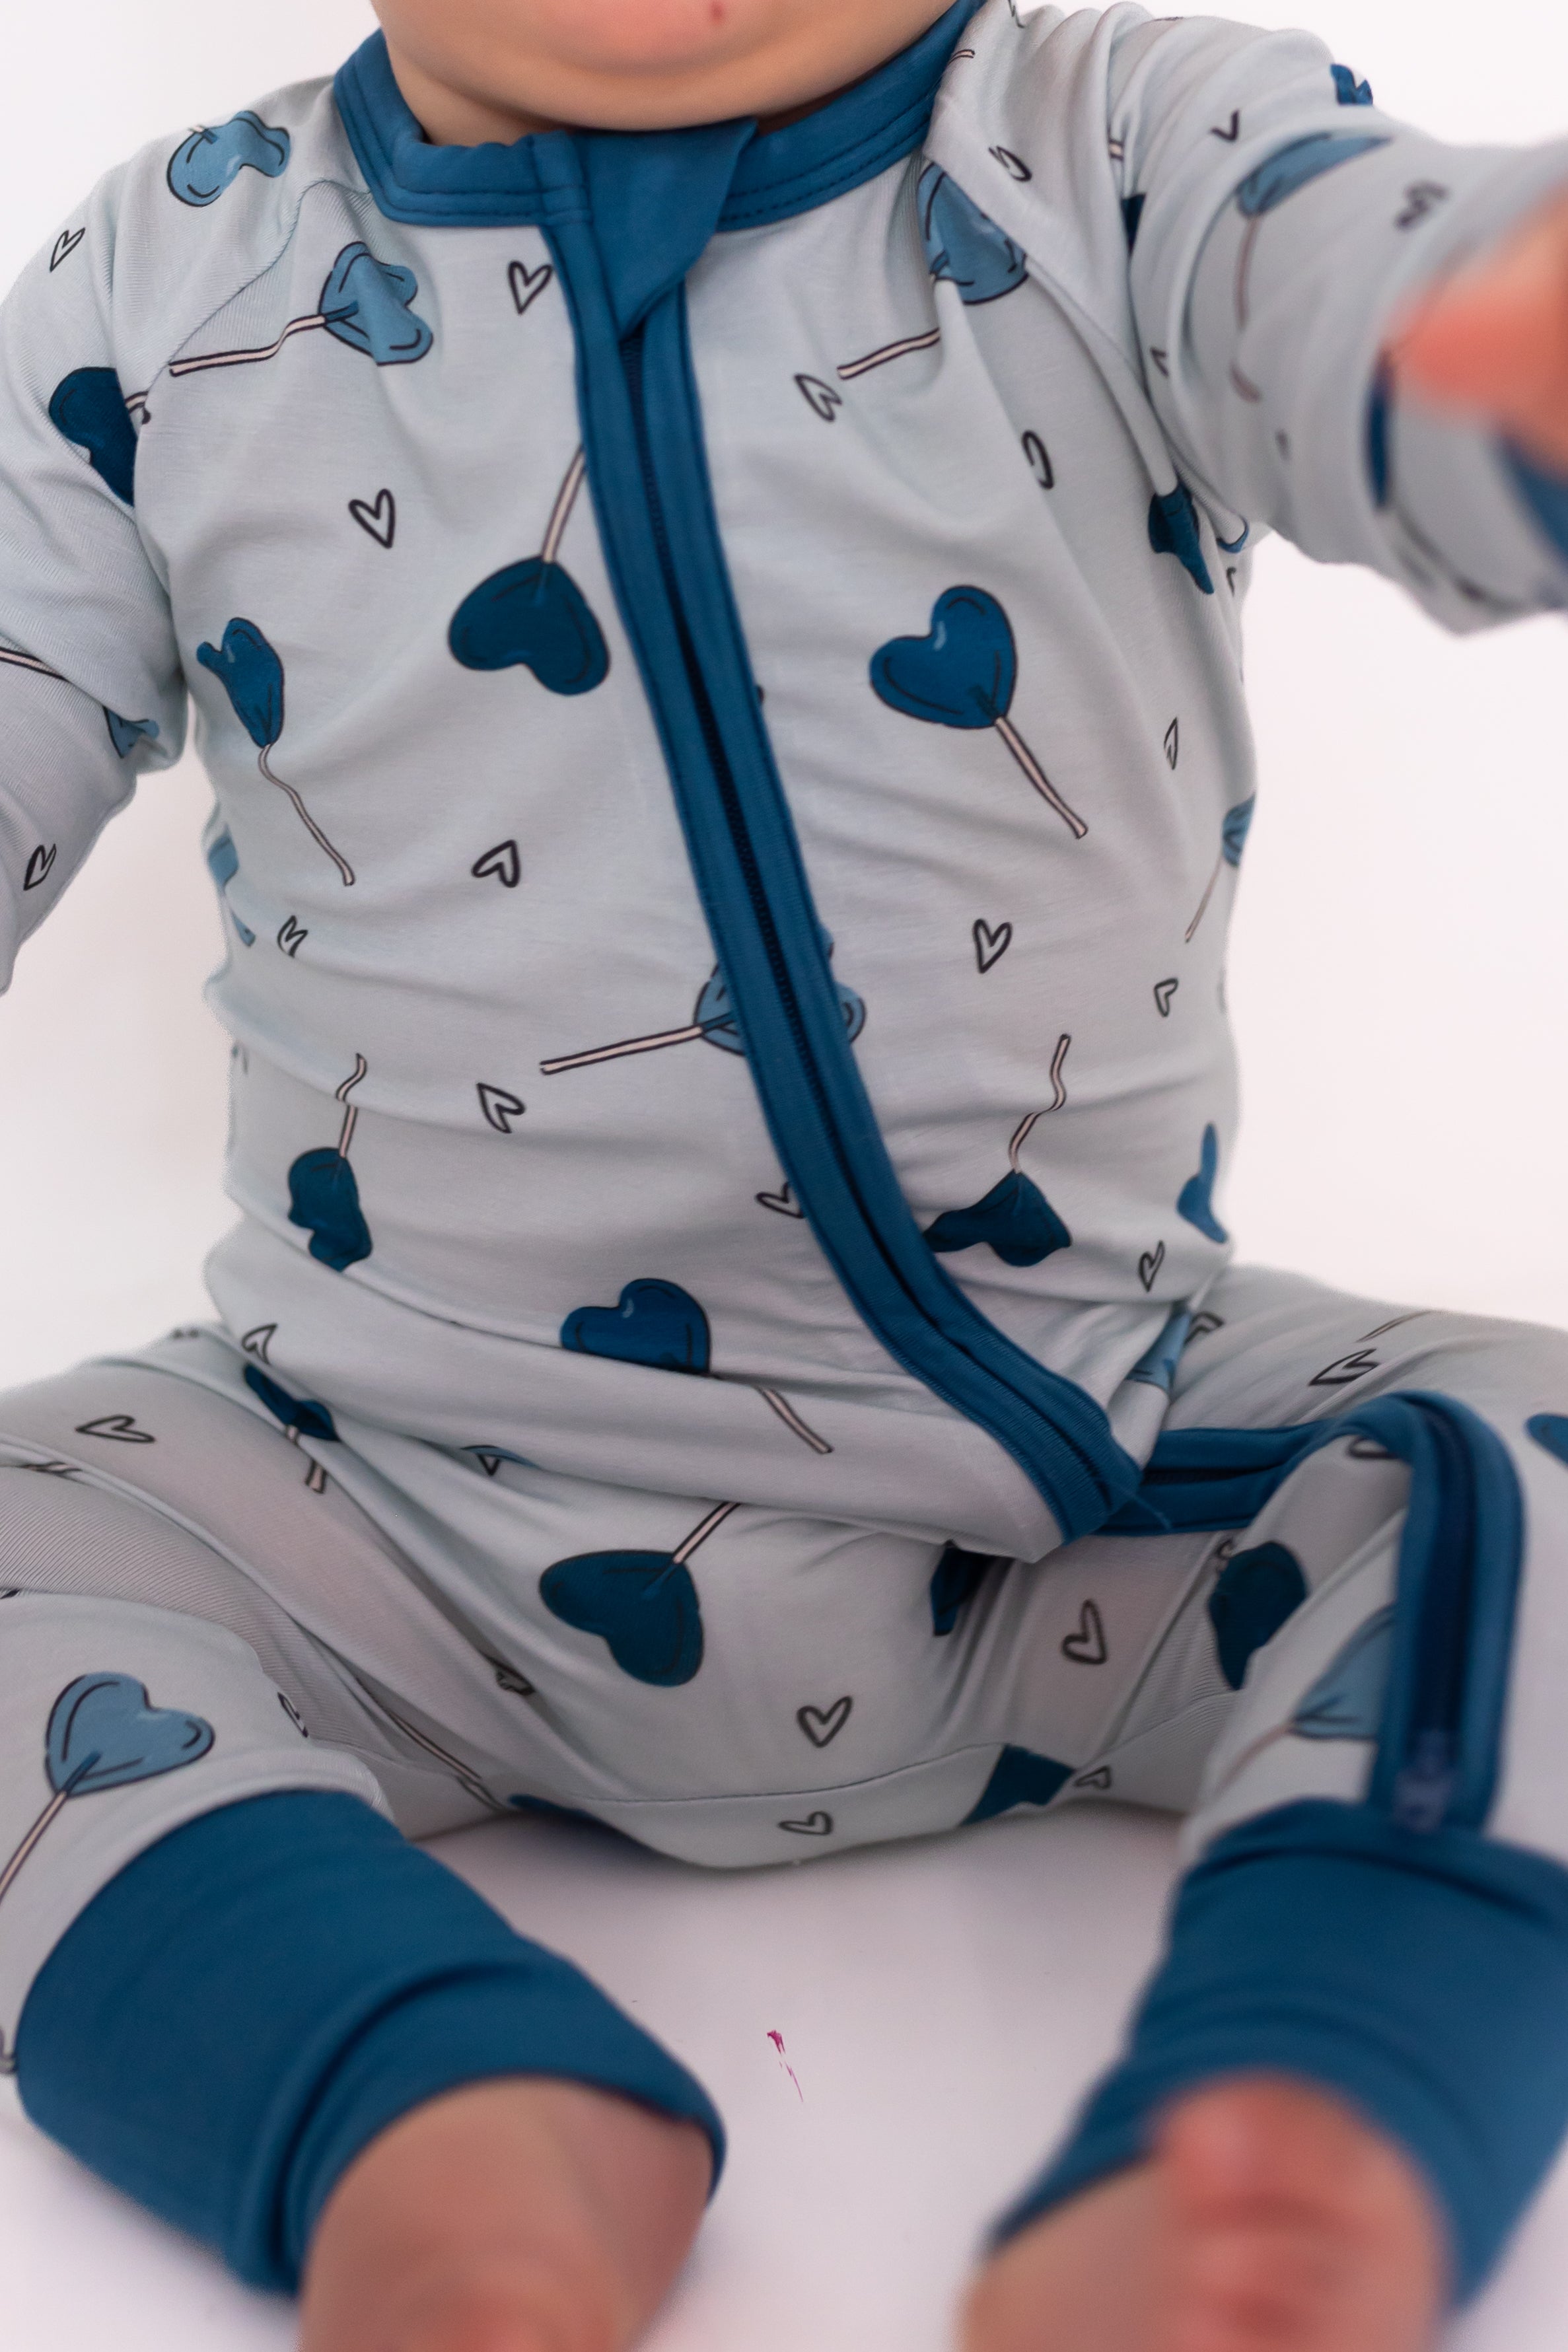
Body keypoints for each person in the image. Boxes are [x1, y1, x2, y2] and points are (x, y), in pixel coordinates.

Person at [2, 3, 1567, 2347]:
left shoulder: (1111, 148)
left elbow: (1351, 278)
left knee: (1529, 1468)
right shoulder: (165, 291)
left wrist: (1507, 331)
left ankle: (1318, 2100)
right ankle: (400, 2097)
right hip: (383, 1506)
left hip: (1084, 1483)